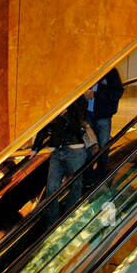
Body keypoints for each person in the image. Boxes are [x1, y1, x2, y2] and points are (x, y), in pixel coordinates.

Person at [34, 97, 95, 227]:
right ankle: (52, 223)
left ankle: (69, 218)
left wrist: (66, 114)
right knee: (51, 188)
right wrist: (35, 148)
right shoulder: (51, 105)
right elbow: (44, 127)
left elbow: (78, 128)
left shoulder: (77, 102)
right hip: (57, 152)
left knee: (76, 185)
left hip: (75, 152)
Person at [83, 67, 124, 181]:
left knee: (103, 146)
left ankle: (101, 176)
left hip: (103, 117)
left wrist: (95, 95)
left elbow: (117, 93)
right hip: (87, 116)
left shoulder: (111, 72)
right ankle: (88, 177)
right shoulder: (88, 70)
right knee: (88, 147)